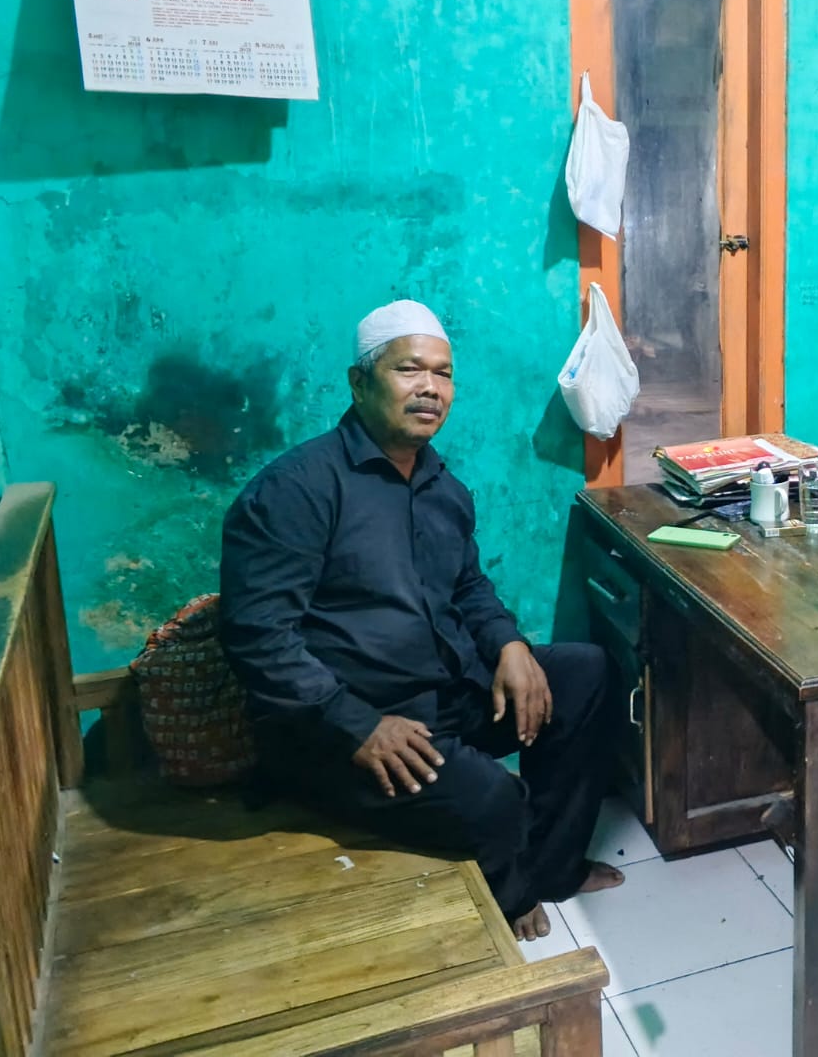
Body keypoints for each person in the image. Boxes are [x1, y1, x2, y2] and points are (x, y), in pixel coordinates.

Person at [220, 299, 624, 942]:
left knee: (584, 673)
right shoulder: (296, 489)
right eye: (409, 369)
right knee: (493, 798)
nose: (430, 388)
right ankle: (511, 891)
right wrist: (355, 724)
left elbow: (468, 586)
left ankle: (550, 870)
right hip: (350, 726)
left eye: (444, 373)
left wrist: (510, 645)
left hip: (444, 692)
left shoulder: (442, 486)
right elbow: (257, 636)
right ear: (359, 383)